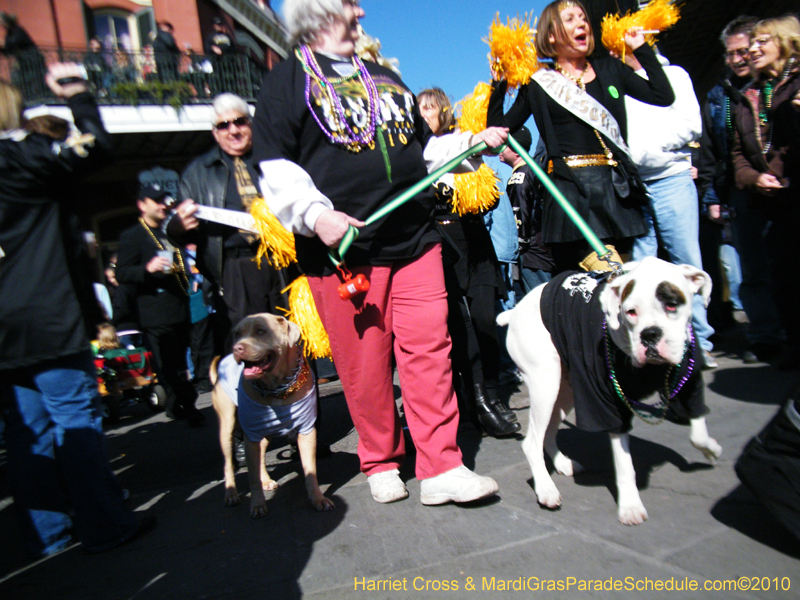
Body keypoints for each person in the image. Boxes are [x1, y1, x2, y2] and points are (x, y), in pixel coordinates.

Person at [220, 0, 507, 505]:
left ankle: (441, 464)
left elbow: (420, 147)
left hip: (415, 239)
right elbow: (275, 167)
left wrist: (470, 141)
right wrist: (315, 215)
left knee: (429, 350)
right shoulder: (286, 82)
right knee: (366, 363)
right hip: (344, 253)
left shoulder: (384, 77)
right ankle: (380, 458)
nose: (362, 13)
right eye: (351, 4)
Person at [0, 62, 149, 557]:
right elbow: (97, 145)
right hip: (48, 315)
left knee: (29, 436)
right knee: (75, 421)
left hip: (6, 325)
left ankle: (48, 535)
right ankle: (105, 524)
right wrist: (78, 94)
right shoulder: (25, 160)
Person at [487, 0, 674, 273]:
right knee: (597, 283)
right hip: (568, 193)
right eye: (571, 19)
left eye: (583, 18)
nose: (582, 23)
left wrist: (641, 49)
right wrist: (499, 83)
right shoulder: (539, 80)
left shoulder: (610, 68)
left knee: (623, 286)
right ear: (551, 35)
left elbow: (662, 95)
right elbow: (498, 132)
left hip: (615, 190)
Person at [418, 87, 519, 438]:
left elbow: (489, 185)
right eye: (420, 110)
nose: (425, 115)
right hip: (440, 244)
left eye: (430, 109)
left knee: (485, 320)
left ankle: (491, 395)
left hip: (474, 241)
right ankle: (473, 400)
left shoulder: (462, 141)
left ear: (443, 111)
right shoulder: (414, 152)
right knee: (458, 327)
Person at [622, 49, 717, 369]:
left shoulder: (674, 75)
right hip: (633, 186)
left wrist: (650, 148)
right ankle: (651, 346)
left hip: (671, 178)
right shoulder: (614, 83)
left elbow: (692, 125)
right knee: (640, 269)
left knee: (685, 261)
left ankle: (699, 341)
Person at [167, 93, 285, 347]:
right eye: (224, 125)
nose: (233, 130)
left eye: (240, 121)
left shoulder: (276, 158)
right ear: (215, 132)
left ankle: (300, 386)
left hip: (282, 262)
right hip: (233, 270)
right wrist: (177, 226)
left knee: (291, 337)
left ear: (251, 123)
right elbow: (179, 234)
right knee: (249, 345)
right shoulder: (197, 173)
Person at [701, 16, 783, 364]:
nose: (737, 59)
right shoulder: (720, 95)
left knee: (785, 260)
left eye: (743, 51)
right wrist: (712, 195)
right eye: (730, 53)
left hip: (783, 186)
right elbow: (713, 151)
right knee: (752, 269)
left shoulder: (780, 86)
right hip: (740, 188)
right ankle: (765, 337)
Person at [731, 15, 800, 370]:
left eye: (762, 43)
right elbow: (738, 152)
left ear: (786, 43)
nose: (751, 51)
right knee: (783, 277)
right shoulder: (748, 97)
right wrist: (752, 178)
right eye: (751, 44)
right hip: (771, 202)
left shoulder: (796, 86)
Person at [116, 184, 204, 425]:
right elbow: (122, 273)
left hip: (180, 306)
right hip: (154, 312)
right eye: (156, 201)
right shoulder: (132, 236)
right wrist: (147, 269)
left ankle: (176, 405)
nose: (163, 205)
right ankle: (189, 404)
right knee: (168, 364)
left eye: (164, 200)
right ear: (142, 205)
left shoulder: (170, 231)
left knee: (179, 363)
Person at [498, 127, 555, 295]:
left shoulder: (519, 177)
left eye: (504, 146)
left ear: (517, 150)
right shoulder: (534, 171)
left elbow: (519, 217)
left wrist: (517, 248)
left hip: (532, 256)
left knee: (539, 305)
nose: (499, 150)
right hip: (544, 252)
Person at [0, 13, 47, 101]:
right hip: (23, 63)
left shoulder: (18, 31)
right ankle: (25, 98)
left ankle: (38, 97)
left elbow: (17, 43)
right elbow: (8, 52)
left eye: (2, 22)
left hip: (32, 60)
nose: (2, 25)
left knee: (35, 80)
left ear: (7, 21)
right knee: (19, 81)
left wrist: (4, 44)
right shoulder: (8, 35)